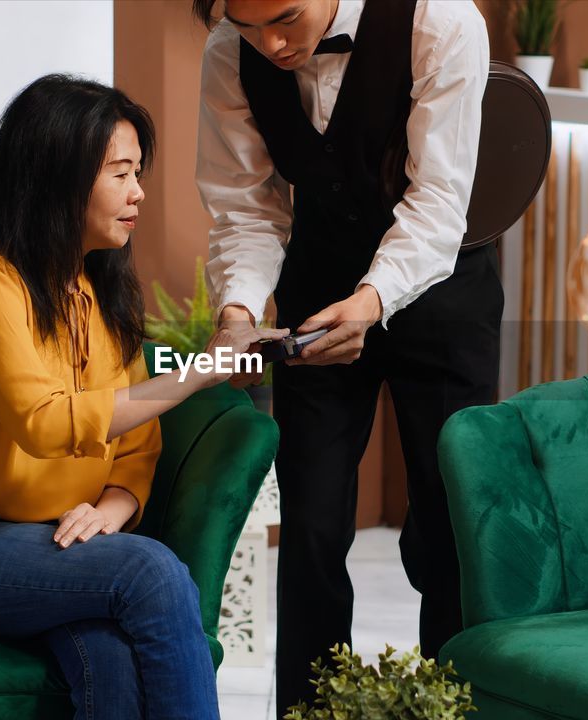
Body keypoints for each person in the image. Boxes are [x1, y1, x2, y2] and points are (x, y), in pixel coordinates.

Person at [0, 74, 286, 720]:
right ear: (59, 180)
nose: (139, 193)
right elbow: (44, 423)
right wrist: (201, 370)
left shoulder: (98, 295)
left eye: (138, 173)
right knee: (151, 574)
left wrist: (114, 503)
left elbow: (137, 440)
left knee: (111, 658)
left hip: (54, 545)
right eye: (121, 174)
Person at [192, 0, 499, 711]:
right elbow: (246, 204)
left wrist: (372, 301)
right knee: (310, 526)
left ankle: (448, 708)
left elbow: (438, 201)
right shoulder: (228, 52)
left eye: (284, 19)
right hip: (318, 278)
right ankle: (309, 711)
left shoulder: (443, 22)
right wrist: (238, 312)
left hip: (444, 293)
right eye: (246, 26)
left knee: (447, 530)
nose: (269, 44)